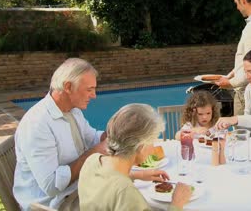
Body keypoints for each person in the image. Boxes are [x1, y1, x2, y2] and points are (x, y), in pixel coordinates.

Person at [13, 58, 107, 210]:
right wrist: (93, 153)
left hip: (75, 191)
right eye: (89, 89)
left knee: (125, 188)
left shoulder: (73, 111)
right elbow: (51, 185)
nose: (94, 95)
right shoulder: (38, 123)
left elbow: (93, 138)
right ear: (68, 87)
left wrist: (117, 132)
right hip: (51, 204)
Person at [78, 103, 192, 210]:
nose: (153, 149)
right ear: (140, 147)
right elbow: (120, 191)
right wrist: (177, 203)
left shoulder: (92, 161)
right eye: (152, 141)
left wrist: (137, 175)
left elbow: (108, 182)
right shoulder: (127, 194)